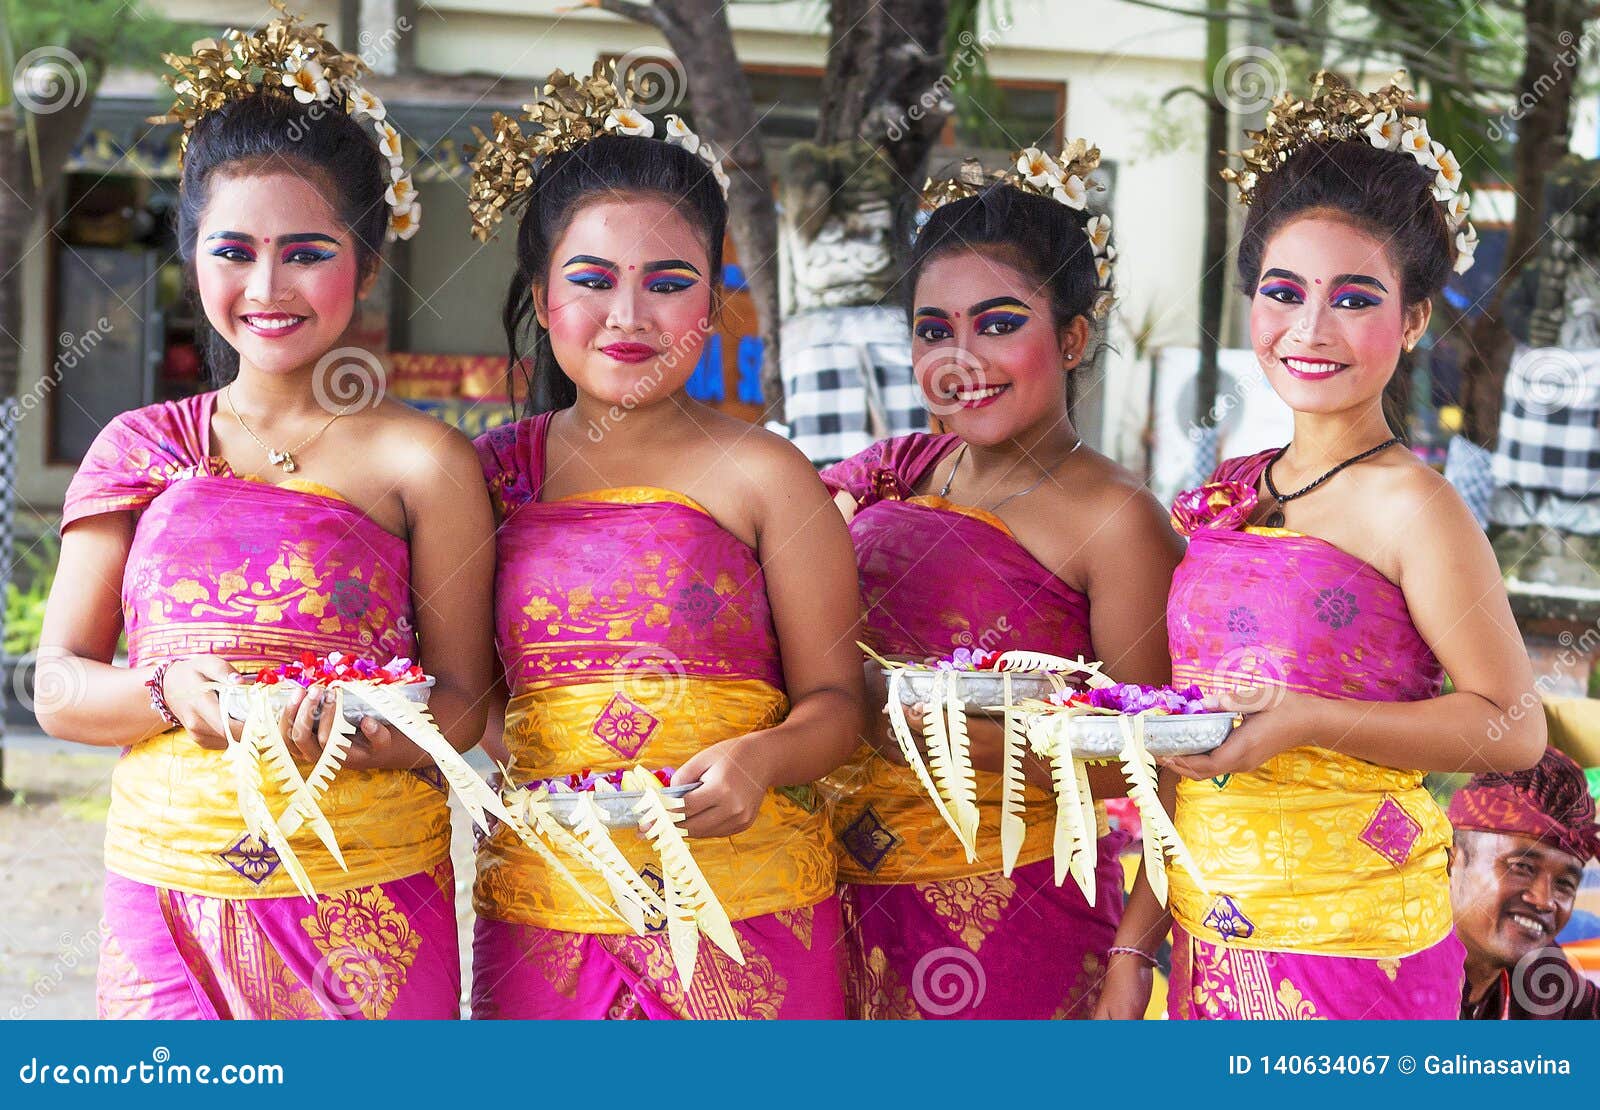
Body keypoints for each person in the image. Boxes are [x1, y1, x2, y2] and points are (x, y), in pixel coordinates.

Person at [36, 9, 494, 1019]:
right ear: (192, 255)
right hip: (171, 904)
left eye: (306, 252)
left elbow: (467, 698)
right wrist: (170, 695)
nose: (266, 287)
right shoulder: (142, 446)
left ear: (367, 263)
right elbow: (60, 687)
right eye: (233, 250)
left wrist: (357, 733)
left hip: (368, 909)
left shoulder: (425, 460)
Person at [1106, 71, 1546, 1020]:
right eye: (1282, 291)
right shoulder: (1229, 496)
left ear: (1415, 317)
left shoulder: (1415, 508)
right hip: (1204, 943)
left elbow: (1515, 727)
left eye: (1354, 297)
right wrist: (1136, 945)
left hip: (1355, 954)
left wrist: (1309, 719)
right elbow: (1187, 744)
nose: (1309, 330)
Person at [464, 66, 865, 1019]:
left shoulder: (768, 474)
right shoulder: (485, 480)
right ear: (541, 295)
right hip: (549, 906)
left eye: (669, 283)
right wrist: (561, 762)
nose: (630, 317)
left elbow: (838, 703)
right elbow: (459, 690)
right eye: (592, 281)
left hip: (751, 910)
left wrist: (759, 761)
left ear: (715, 301)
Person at [821, 147, 1182, 1018]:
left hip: (1011, 916)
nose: (960, 357)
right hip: (829, 898)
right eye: (934, 329)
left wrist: (1136, 951)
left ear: (1072, 337)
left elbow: (1161, 769)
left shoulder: (1118, 520)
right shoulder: (895, 476)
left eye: (997, 323)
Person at [1451, 747, 1600, 1019]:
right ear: (1453, 862)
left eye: (1565, 884)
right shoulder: (1380, 973)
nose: (1544, 900)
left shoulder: (1543, 978)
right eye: (1522, 867)